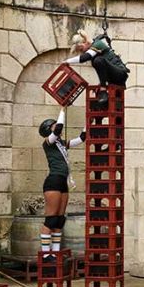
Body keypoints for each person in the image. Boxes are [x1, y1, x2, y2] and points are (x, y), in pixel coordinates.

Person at [38, 107, 85, 258]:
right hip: (53, 181)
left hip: (63, 182)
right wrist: (62, 109)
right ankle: (46, 255)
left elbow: (82, 138)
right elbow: (58, 128)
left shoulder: (61, 144)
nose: (55, 127)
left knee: (59, 219)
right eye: (52, 125)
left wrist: (89, 123)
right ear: (48, 129)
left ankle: (56, 252)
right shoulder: (48, 142)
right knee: (51, 218)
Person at [62, 30, 129, 105]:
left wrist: (67, 61)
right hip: (113, 79)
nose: (82, 52)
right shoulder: (94, 47)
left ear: (85, 43)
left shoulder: (98, 44)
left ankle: (103, 90)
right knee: (111, 106)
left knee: (98, 60)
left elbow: (85, 57)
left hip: (120, 73)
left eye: (81, 49)